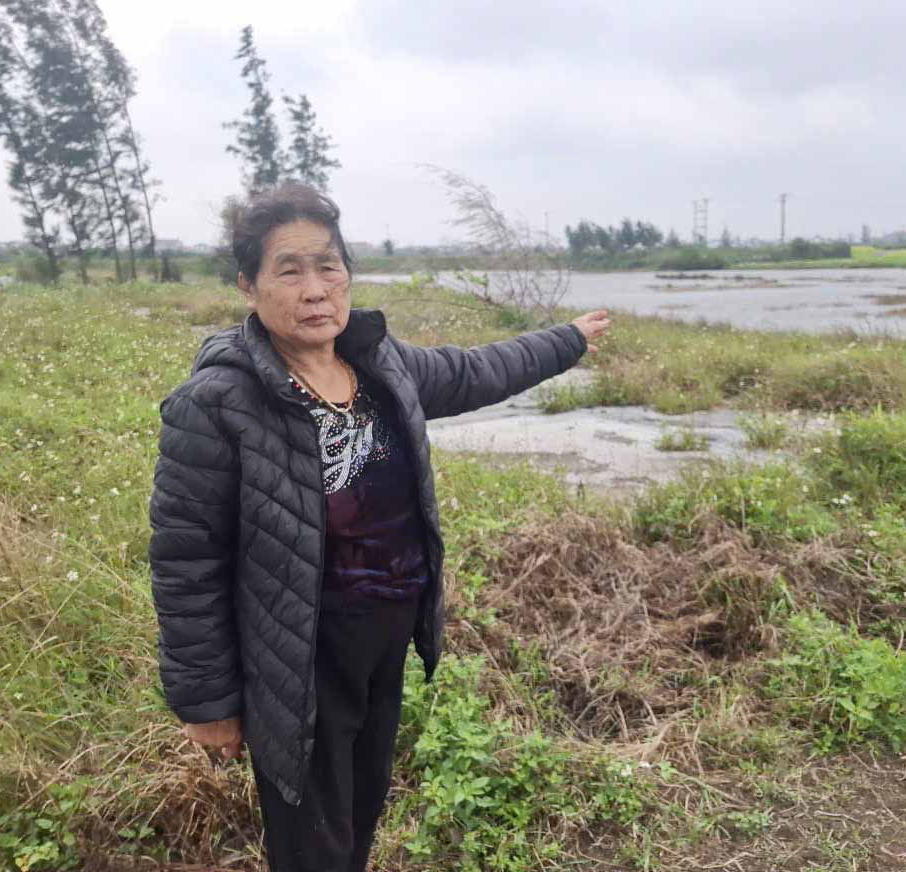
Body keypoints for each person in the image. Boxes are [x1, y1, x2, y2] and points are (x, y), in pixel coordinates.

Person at [147, 182, 610, 872]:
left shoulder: (378, 364)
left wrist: (567, 340)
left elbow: (477, 370)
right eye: (289, 269)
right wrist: (205, 701)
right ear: (249, 285)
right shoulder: (217, 403)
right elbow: (187, 562)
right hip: (298, 659)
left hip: (384, 640)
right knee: (312, 844)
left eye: (329, 266)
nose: (315, 289)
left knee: (361, 813)